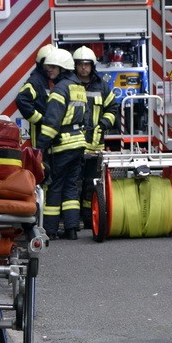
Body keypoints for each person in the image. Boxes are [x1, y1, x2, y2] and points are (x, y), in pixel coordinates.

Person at [34, 48, 87, 239]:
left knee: (55, 186)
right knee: (71, 186)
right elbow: (86, 118)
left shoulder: (59, 89)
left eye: (53, 68)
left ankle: (50, 230)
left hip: (62, 146)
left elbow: (51, 122)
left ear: (63, 68)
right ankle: (72, 229)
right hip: (78, 144)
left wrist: (39, 147)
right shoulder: (79, 87)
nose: (49, 71)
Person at [70, 46, 119, 229]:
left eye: (87, 64)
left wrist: (103, 124)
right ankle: (73, 220)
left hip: (95, 146)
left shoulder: (102, 87)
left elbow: (113, 108)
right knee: (75, 184)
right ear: (75, 66)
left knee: (91, 184)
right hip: (74, 145)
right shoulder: (69, 84)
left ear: (92, 66)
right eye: (80, 64)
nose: (84, 68)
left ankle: (89, 219)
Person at [16, 44, 54, 146]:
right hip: (40, 135)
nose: (50, 68)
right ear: (41, 64)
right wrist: (40, 120)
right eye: (47, 65)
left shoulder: (54, 80)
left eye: (53, 64)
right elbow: (22, 99)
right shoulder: (36, 81)